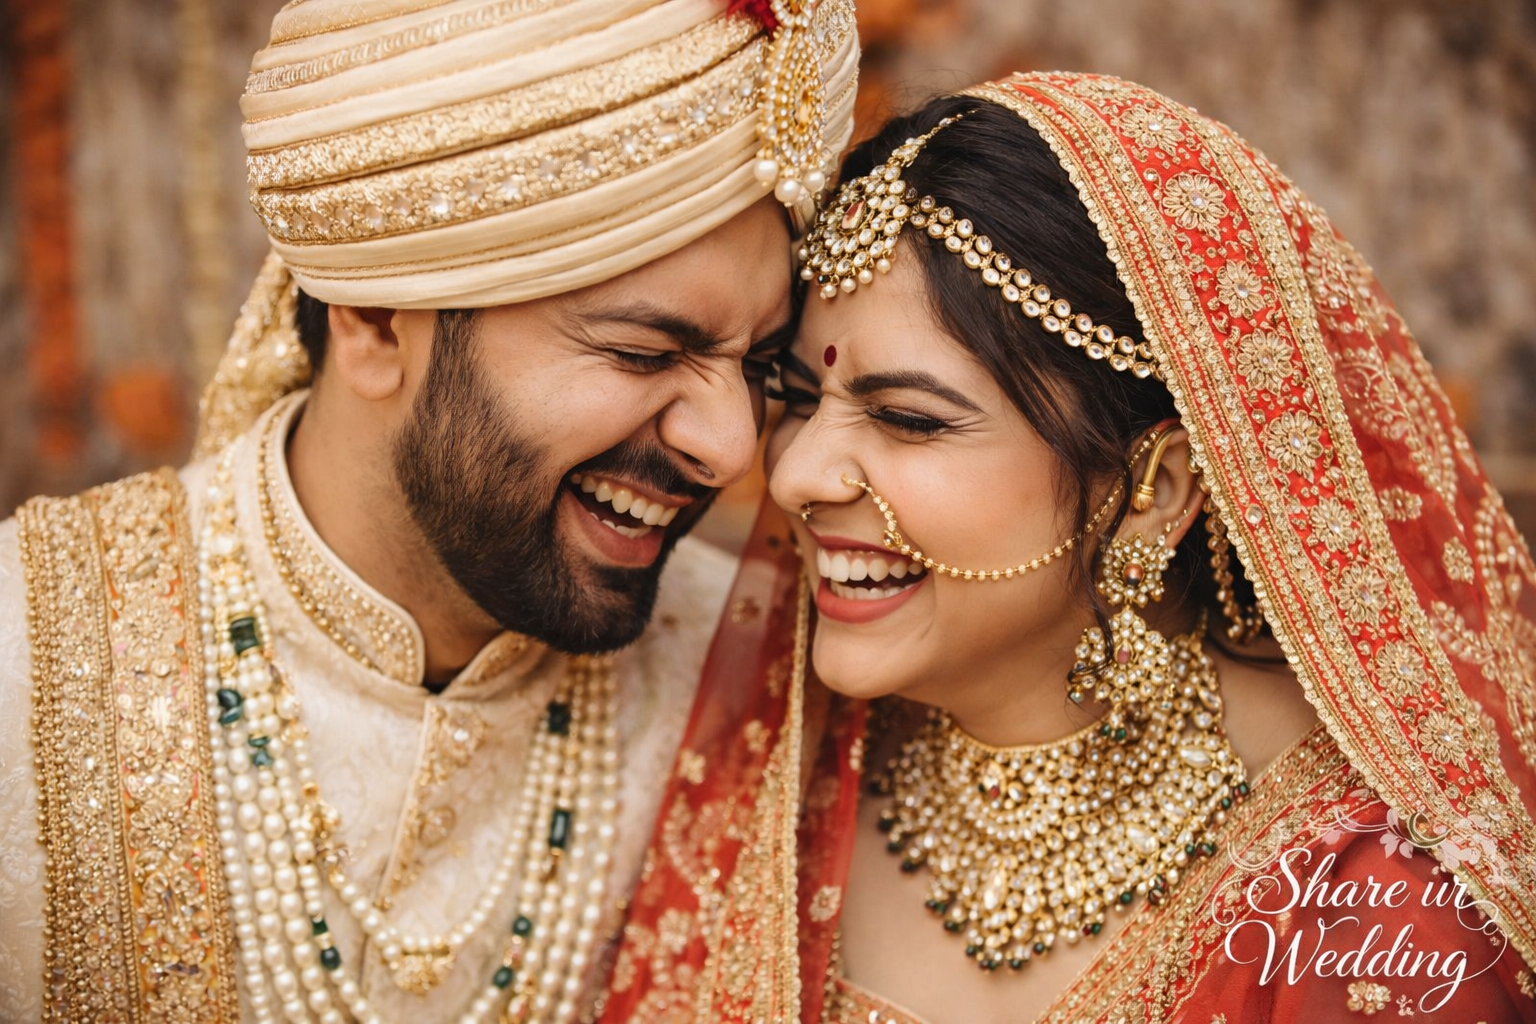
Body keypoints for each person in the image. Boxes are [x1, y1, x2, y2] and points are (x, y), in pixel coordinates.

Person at [604, 73, 1536, 1022]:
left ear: (1150, 492)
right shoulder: (792, 753)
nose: (798, 473)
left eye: (909, 420)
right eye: (799, 399)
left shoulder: (1371, 915)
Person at [0, 2, 858, 1021]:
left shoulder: (757, 676)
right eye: (644, 351)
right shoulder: (24, 661)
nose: (727, 444)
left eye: (759, 364)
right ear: (371, 321)